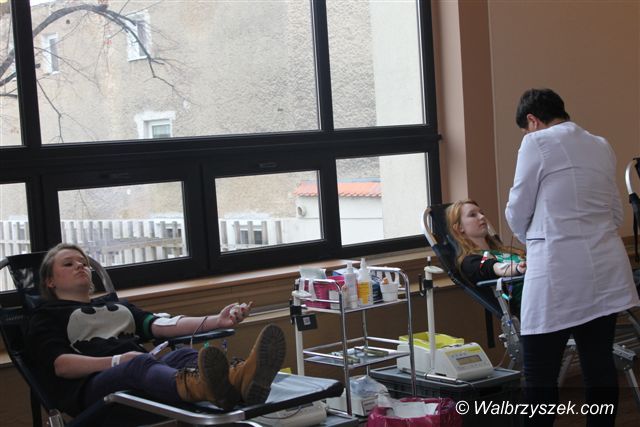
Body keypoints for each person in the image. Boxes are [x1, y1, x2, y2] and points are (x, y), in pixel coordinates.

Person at [505, 88, 639, 426]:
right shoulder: (600, 144)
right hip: (606, 265)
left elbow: (518, 208)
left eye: (525, 128)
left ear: (532, 120)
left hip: (558, 269)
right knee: (599, 366)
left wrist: (533, 237)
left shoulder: (536, 142)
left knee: (539, 373)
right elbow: (615, 213)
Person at [26, 242, 287, 416]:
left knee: (183, 355)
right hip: (93, 388)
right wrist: (118, 361)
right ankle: (212, 388)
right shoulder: (45, 316)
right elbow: (61, 365)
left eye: (83, 262)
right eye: (68, 264)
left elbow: (163, 325)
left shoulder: (117, 307)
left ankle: (241, 380)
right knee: (140, 363)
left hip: (141, 373)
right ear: (49, 281)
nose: (80, 266)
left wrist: (216, 320)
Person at [446, 199, 526, 315]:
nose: (482, 216)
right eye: (473, 215)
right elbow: (493, 267)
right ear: (459, 228)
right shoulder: (469, 261)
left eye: (481, 213)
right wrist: (517, 268)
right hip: (530, 306)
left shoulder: (506, 251)